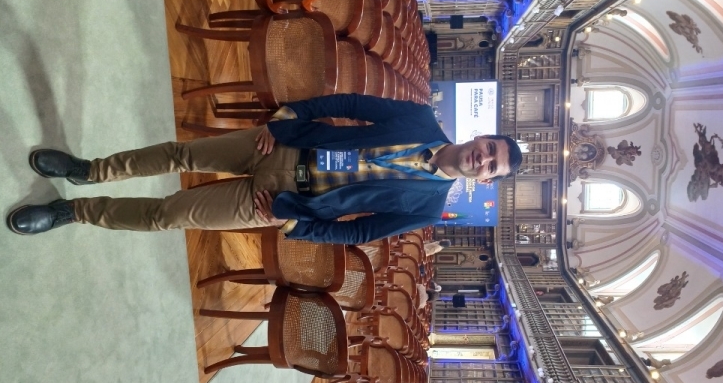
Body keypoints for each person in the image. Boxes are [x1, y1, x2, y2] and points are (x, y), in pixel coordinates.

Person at [8, 93, 522, 245]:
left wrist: (296, 225)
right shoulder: (419, 118)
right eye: (489, 148)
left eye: (491, 166)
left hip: (279, 203)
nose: (483, 157)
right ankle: (88, 170)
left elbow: (360, 231)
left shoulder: (427, 207)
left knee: (169, 216)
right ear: (480, 137)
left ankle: (74, 212)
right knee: (181, 154)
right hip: (278, 146)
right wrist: (293, 115)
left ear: (485, 181)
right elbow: (349, 103)